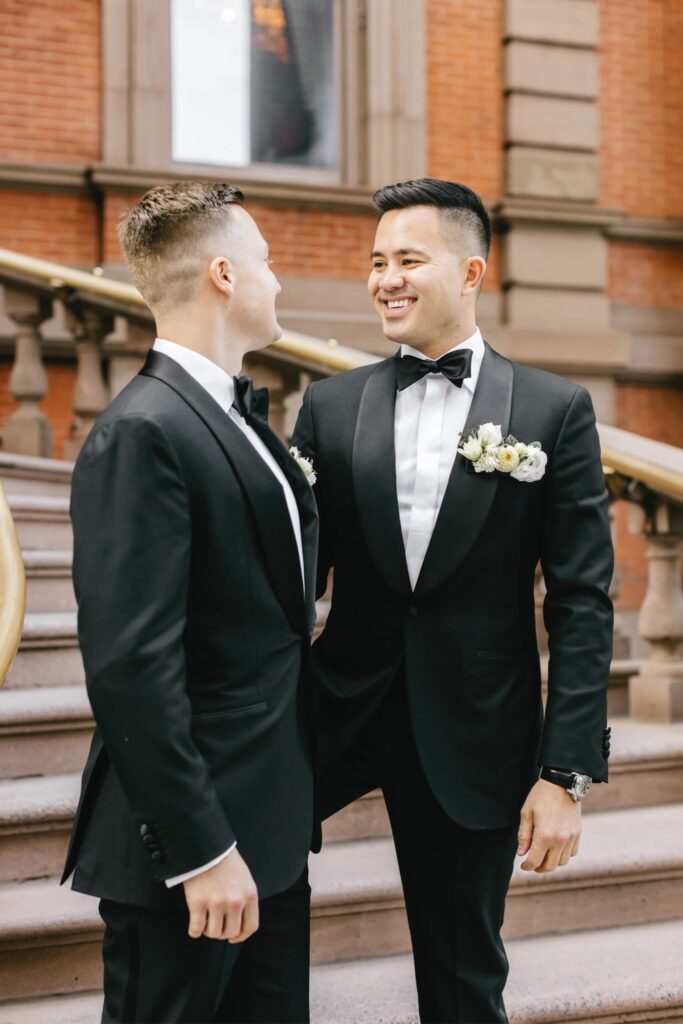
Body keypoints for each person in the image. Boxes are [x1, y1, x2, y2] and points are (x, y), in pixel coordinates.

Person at [292, 178, 614, 1024]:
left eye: (408, 259)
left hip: (476, 726)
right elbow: (288, 582)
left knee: (463, 977)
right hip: (333, 710)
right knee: (232, 893)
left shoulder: (553, 410)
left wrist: (563, 774)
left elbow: (581, 603)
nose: (385, 279)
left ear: (469, 272)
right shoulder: (326, 407)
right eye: (375, 262)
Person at [61, 181, 320, 1023]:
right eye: (267, 263)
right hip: (193, 855)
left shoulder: (240, 420)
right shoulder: (143, 431)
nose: (277, 281)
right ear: (222, 274)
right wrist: (201, 850)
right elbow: (132, 667)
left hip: (271, 841)